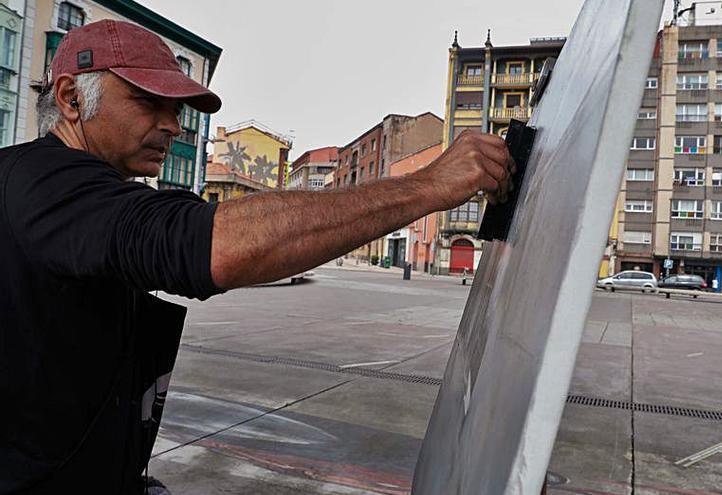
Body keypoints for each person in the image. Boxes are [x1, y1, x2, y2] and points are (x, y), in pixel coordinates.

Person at [0, 20, 513, 494]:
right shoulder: (44, 184)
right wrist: (427, 185)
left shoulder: (70, 193)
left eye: (176, 110)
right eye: (147, 101)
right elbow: (207, 245)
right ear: (70, 98)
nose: (172, 126)